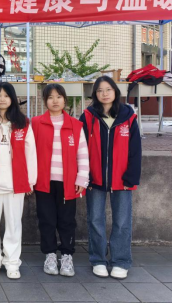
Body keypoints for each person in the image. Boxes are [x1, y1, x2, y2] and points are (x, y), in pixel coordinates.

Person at [79, 76, 141, 280]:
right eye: (99, 90)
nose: (104, 94)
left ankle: (120, 261)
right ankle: (98, 259)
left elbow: (135, 149)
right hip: (94, 179)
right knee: (95, 220)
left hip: (122, 180)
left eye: (108, 89)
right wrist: (85, 175)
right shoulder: (88, 116)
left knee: (122, 222)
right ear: (95, 94)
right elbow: (80, 148)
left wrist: (131, 177)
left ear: (115, 92)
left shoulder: (128, 116)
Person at [0, 82, 37, 280]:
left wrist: (30, 180)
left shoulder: (23, 123)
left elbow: (31, 152)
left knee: (13, 225)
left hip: (15, 183)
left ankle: (12, 262)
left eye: (6, 95)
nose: (2, 99)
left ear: (13, 99)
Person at [31, 84, 89, 277]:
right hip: (43, 182)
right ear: (44, 101)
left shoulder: (75, 125)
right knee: (46, 220)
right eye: (50, 97)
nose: (55, 101)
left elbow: (82, 153)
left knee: (66, 221)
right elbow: (29, 152)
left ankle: (66, 256)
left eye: (59, 97)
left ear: (65, 99)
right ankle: (49, 255)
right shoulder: (36, 123)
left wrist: (82, 178)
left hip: (68, 183)